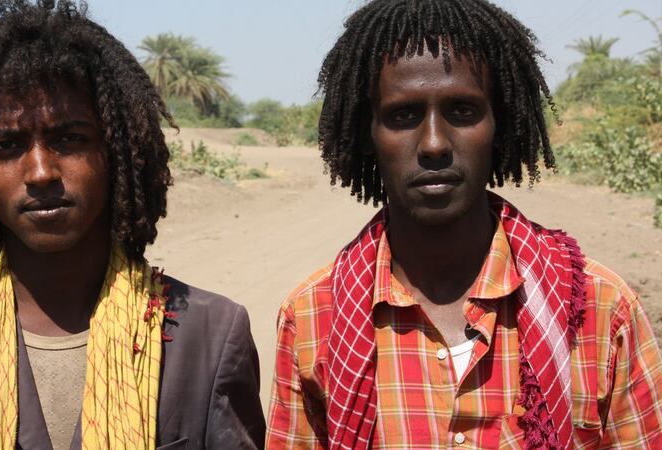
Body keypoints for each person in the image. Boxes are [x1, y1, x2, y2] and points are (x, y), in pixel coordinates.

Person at [0, 1, 265, 449]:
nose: (40, 172)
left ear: (117, 149)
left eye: (70, 139)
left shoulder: (207, 336)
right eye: (5, 145)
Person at [266, 0, 662, 448]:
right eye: (403, 116)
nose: (434, 143)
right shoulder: (313, 319)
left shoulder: (600, 310)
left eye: (462, 111)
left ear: (502, 125)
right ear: (366, 136)